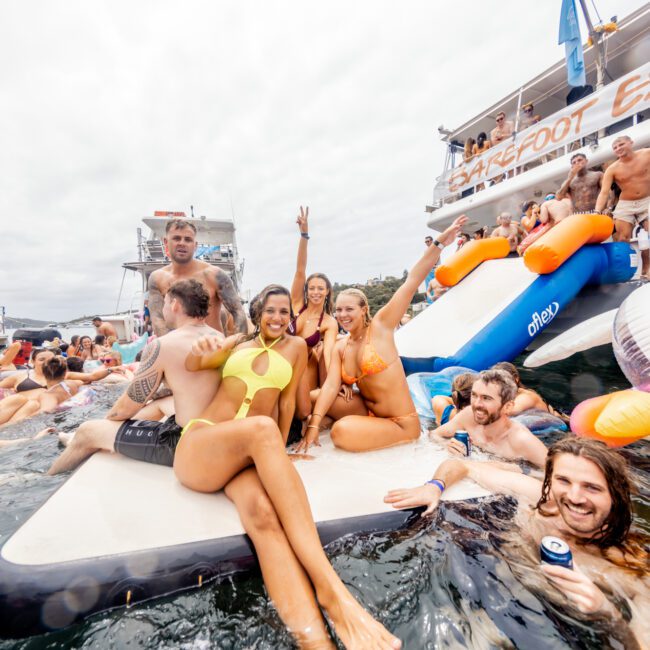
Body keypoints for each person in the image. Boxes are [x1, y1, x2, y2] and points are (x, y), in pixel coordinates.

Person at [173, 284, 402, 649]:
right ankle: (334, 594)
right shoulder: (236, 345)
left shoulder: (296, 349)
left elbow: (287, 406)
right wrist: (201, 352)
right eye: (270, 311)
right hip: (204, 444)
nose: (278, 318)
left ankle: (315, 641)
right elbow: (194, 364)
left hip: (245, 456)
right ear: (258, 312)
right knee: (262, 431)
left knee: (264, 516)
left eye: (284, 311)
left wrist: (301, 432)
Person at [384, 437, 649, 646]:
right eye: (563, 481)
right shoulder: (539, 502)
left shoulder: (632, 571)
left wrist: (607, 614)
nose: (575, 496)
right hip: (486, 587)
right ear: (550, 481)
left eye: (592, 487)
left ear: (616, 495)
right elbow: (463, 466)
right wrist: (434, 487)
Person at [298, 216, 468, 453]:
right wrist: (314, 424)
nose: (343, 315)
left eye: (349, 309)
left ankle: (350, 427)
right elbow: (329, 387)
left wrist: (439, 243)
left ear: (364, 309)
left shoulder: (380, 328)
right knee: (309, 398)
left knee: (341, 431)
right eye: (338, 309)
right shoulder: (341, 345)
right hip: (367, 411)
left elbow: (411, 281)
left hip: (401, 424)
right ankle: (329, 424)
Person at [48, 279, 222, 475]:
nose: (163, 308)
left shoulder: (163, 345)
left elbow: (126, 408)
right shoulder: (219, 337)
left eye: (164, 302)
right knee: (160, 402)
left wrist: (105, 425)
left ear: (174, 304)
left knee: (87, 431)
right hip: (210, 433)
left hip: (183, 444)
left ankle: (46, 477)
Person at [148, 218, 247, 336]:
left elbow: (238, 313)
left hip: (214, 348)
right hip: (177, 349)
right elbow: (157, 319)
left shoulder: (214, 275)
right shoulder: (157, 278)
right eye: (176, 238)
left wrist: (237, 346)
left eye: (188, 239)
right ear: (165, 242)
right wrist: (169, 347)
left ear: (195, 245)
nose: (182, 243)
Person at [431, 369, 548, 468]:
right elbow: (433, 435)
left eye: (486, 398)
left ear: (508, 406)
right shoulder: (468, 416)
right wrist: (446, 444)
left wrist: (519, 470)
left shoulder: (521, 440)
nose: (476, 404)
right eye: (474, 395)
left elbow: (555, 474)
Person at [288, 206, 339, 418]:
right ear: (306, 290)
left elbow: (328, 355)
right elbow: (300, 269)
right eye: (312, 288)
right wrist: (304, 235)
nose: (316, 292)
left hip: (304, 366)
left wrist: (339, 381)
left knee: (302, 411)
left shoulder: (329, 322)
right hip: (282, 359)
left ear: (327, 292)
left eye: (321, 288)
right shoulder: (296, 303)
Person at [595, 136, 650, 279]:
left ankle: (647, 267)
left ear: (631, 143)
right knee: (621, 238)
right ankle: (623, 274)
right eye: (615, 147)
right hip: (626, 204)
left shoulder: (646, 153)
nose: (618, 148)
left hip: (647, 200)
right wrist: (596, 212)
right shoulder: (612, 169)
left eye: (621, 144)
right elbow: (604, 193)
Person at [0, 357, 85, 426]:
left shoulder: (48, 395)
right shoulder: (71, 385)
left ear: (43, 373)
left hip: (55, 423)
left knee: (32, 405)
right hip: (68, 418)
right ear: (65, 373)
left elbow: (46, 410)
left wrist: (27, 417)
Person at [492, 361, 566, 419]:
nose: (498, 385)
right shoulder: (508, 395)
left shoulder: (526, 397)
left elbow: (509, 412)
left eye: (502, 381)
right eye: (494, 382)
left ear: (516, 378)